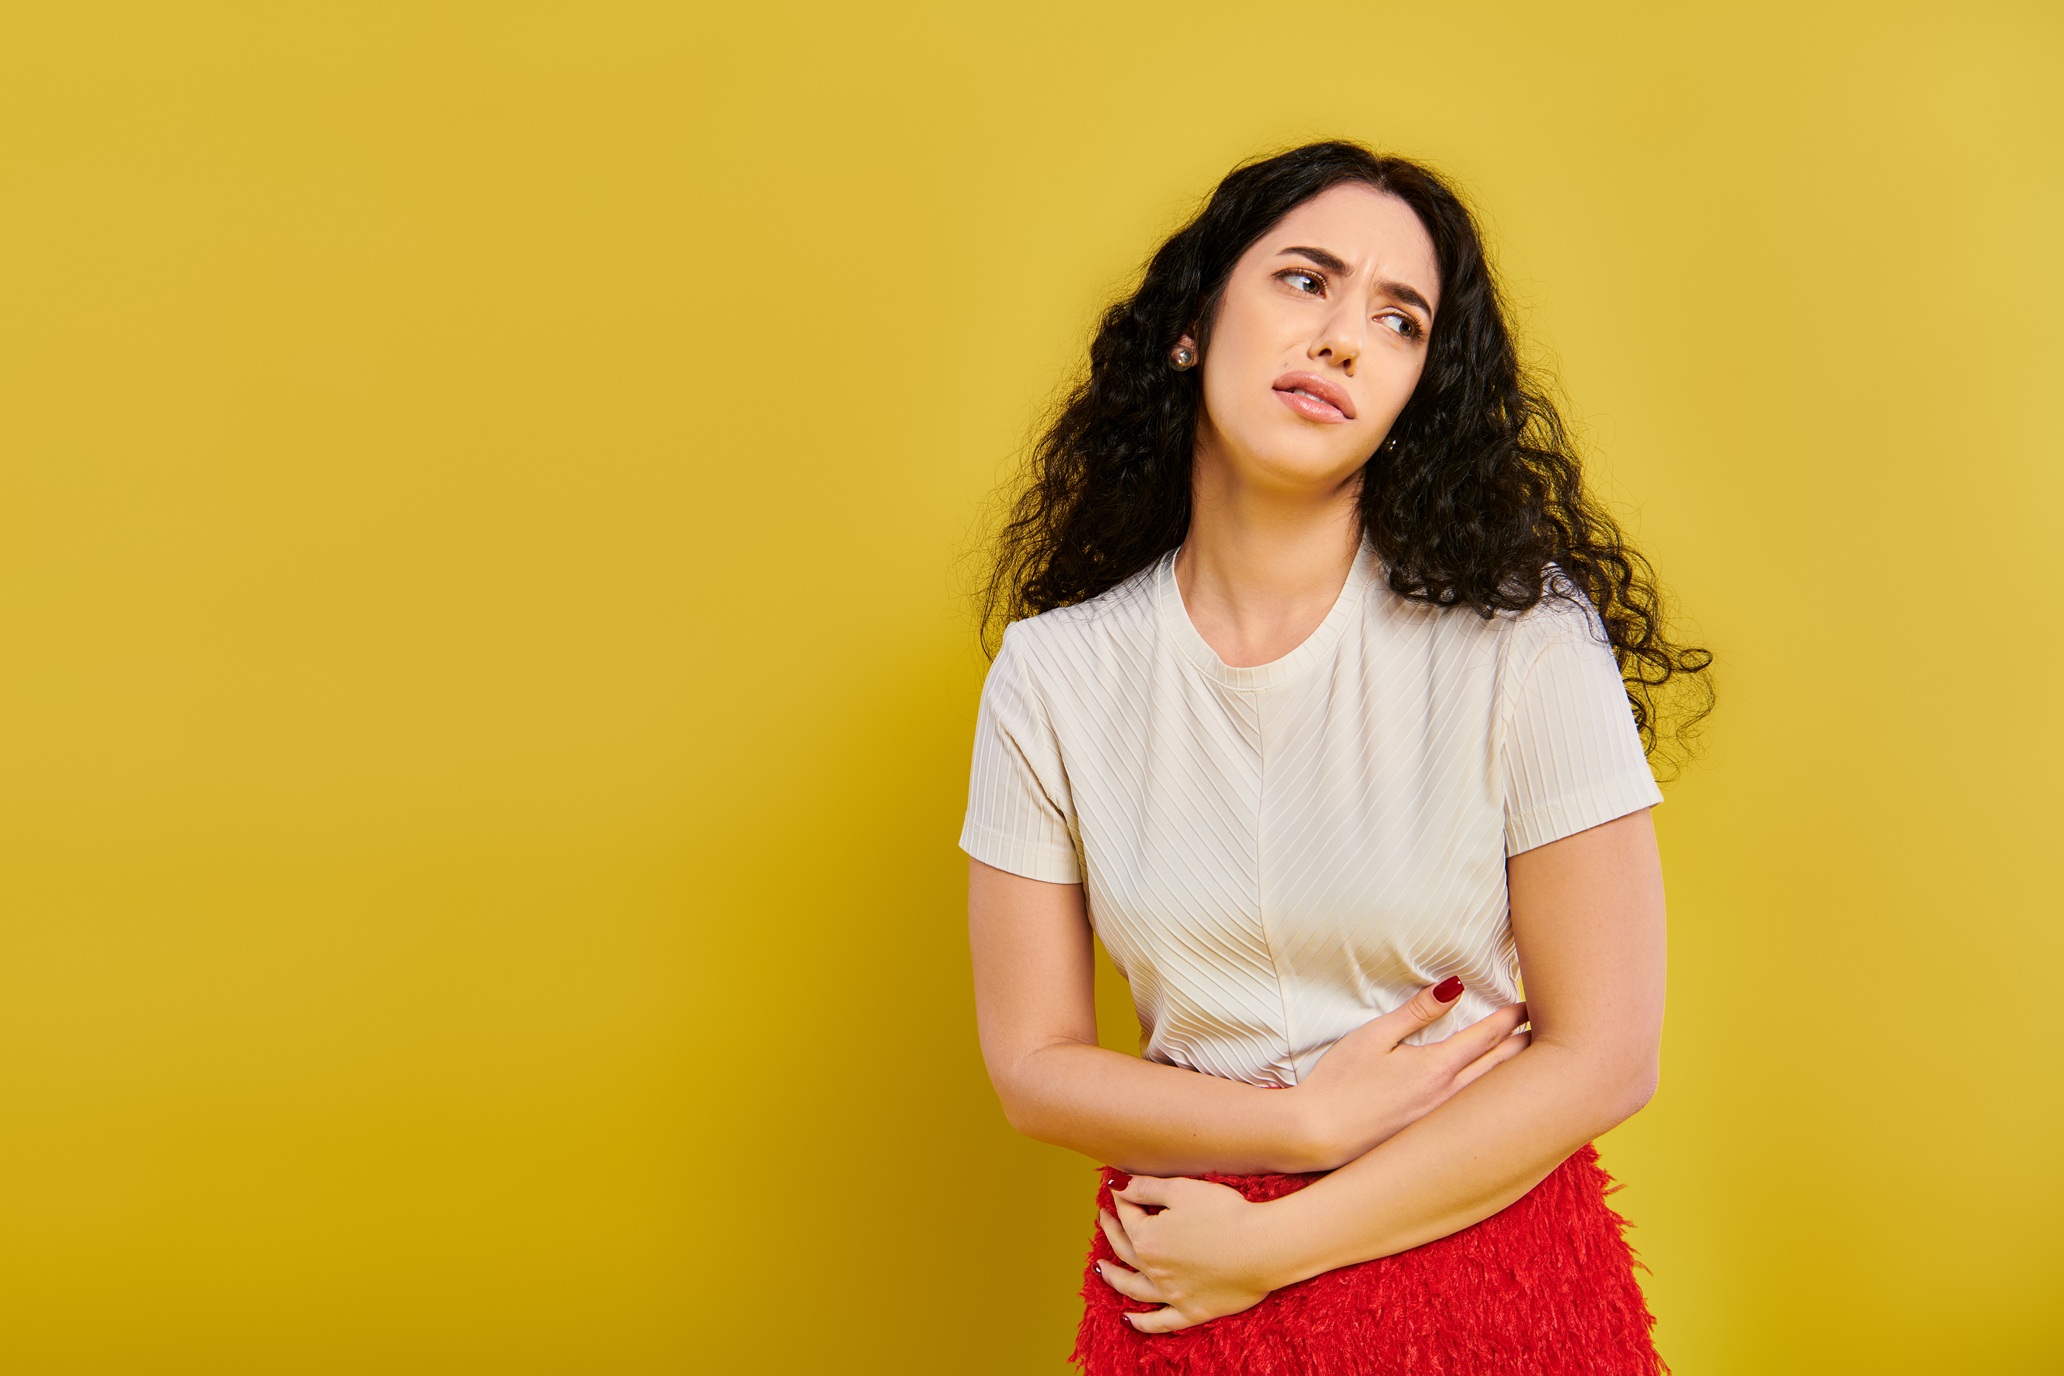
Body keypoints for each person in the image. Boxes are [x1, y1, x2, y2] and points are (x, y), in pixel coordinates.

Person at [959, 140, 1714, 1375]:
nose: (1345, 338)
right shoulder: (1053, 675)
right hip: (1184, 1277)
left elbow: (1608, 1052)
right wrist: (1299, 1122)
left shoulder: (1525, 642)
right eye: (1305, 281)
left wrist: (1286, 1235)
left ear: (1422, 387)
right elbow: (1032, 1067)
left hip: (1484, 1266)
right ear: (1194, 323)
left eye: (1400, 319)